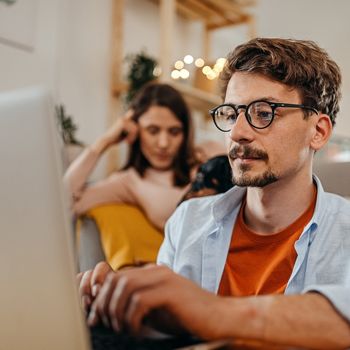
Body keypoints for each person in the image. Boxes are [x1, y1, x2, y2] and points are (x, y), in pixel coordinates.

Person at [78, 38, 350, 349]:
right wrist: (119, 303)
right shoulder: (187, 222)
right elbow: (167, 332)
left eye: (264, 113)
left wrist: (211, 311)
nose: (237, 132)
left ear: (318, 132)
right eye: (232, 114)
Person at [64, 82, 196, 231]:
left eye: (174, 132)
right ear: (136, 130)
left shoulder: (205, 155)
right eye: (153, 130)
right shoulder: (127, 181)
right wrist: (103, 143)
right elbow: (64, 204)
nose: (164, 143)